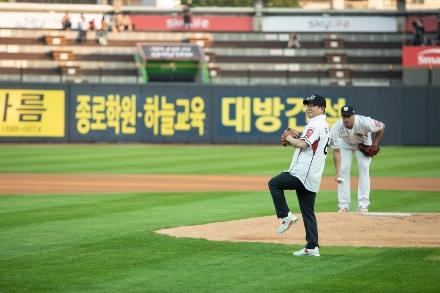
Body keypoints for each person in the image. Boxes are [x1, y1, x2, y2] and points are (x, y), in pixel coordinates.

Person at [268, 94, 331, 257]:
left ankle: (285, 216)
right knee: (308, 212)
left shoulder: (315, 125)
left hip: (302, 174)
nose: (308, 107)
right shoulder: (324, 125)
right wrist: (296, 138)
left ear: (322, 109)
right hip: (313, 176)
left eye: (313, 105)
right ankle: (312, 247)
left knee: (274, 184)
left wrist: (289, 138)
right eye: (307, 104)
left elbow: (303, 144)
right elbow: (309, 145)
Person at [330, 106, 386, 213]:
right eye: (344, 116)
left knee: (364, 168)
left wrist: (374, 144)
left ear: (353, 116)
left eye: (348, 116)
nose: (346, 118)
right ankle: (343, 205)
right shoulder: (337, 127)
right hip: (345, 145)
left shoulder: (365, 122)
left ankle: (363, 205)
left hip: (364, 142)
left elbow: (382, 126)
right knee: (343, 170)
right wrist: (337, 172)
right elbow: (336, 150)